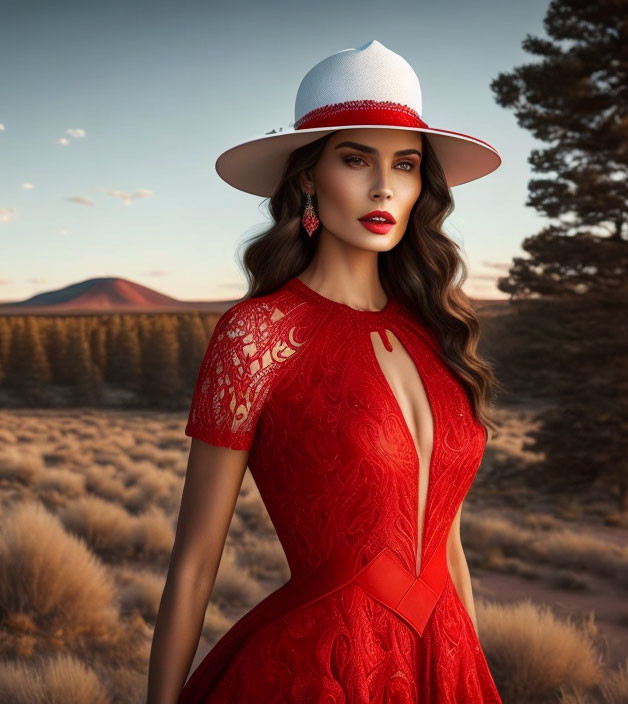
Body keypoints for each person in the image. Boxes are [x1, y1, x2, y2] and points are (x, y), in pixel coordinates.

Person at [148, 40, 504, 704]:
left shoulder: (433, 331)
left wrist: (468, 676)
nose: (383, 187)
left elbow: (447, 548)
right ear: (308, 177)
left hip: (447, 661)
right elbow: (195, 564)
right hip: (324, 672)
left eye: (405, 164)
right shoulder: (259, 336)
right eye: (355, 159)